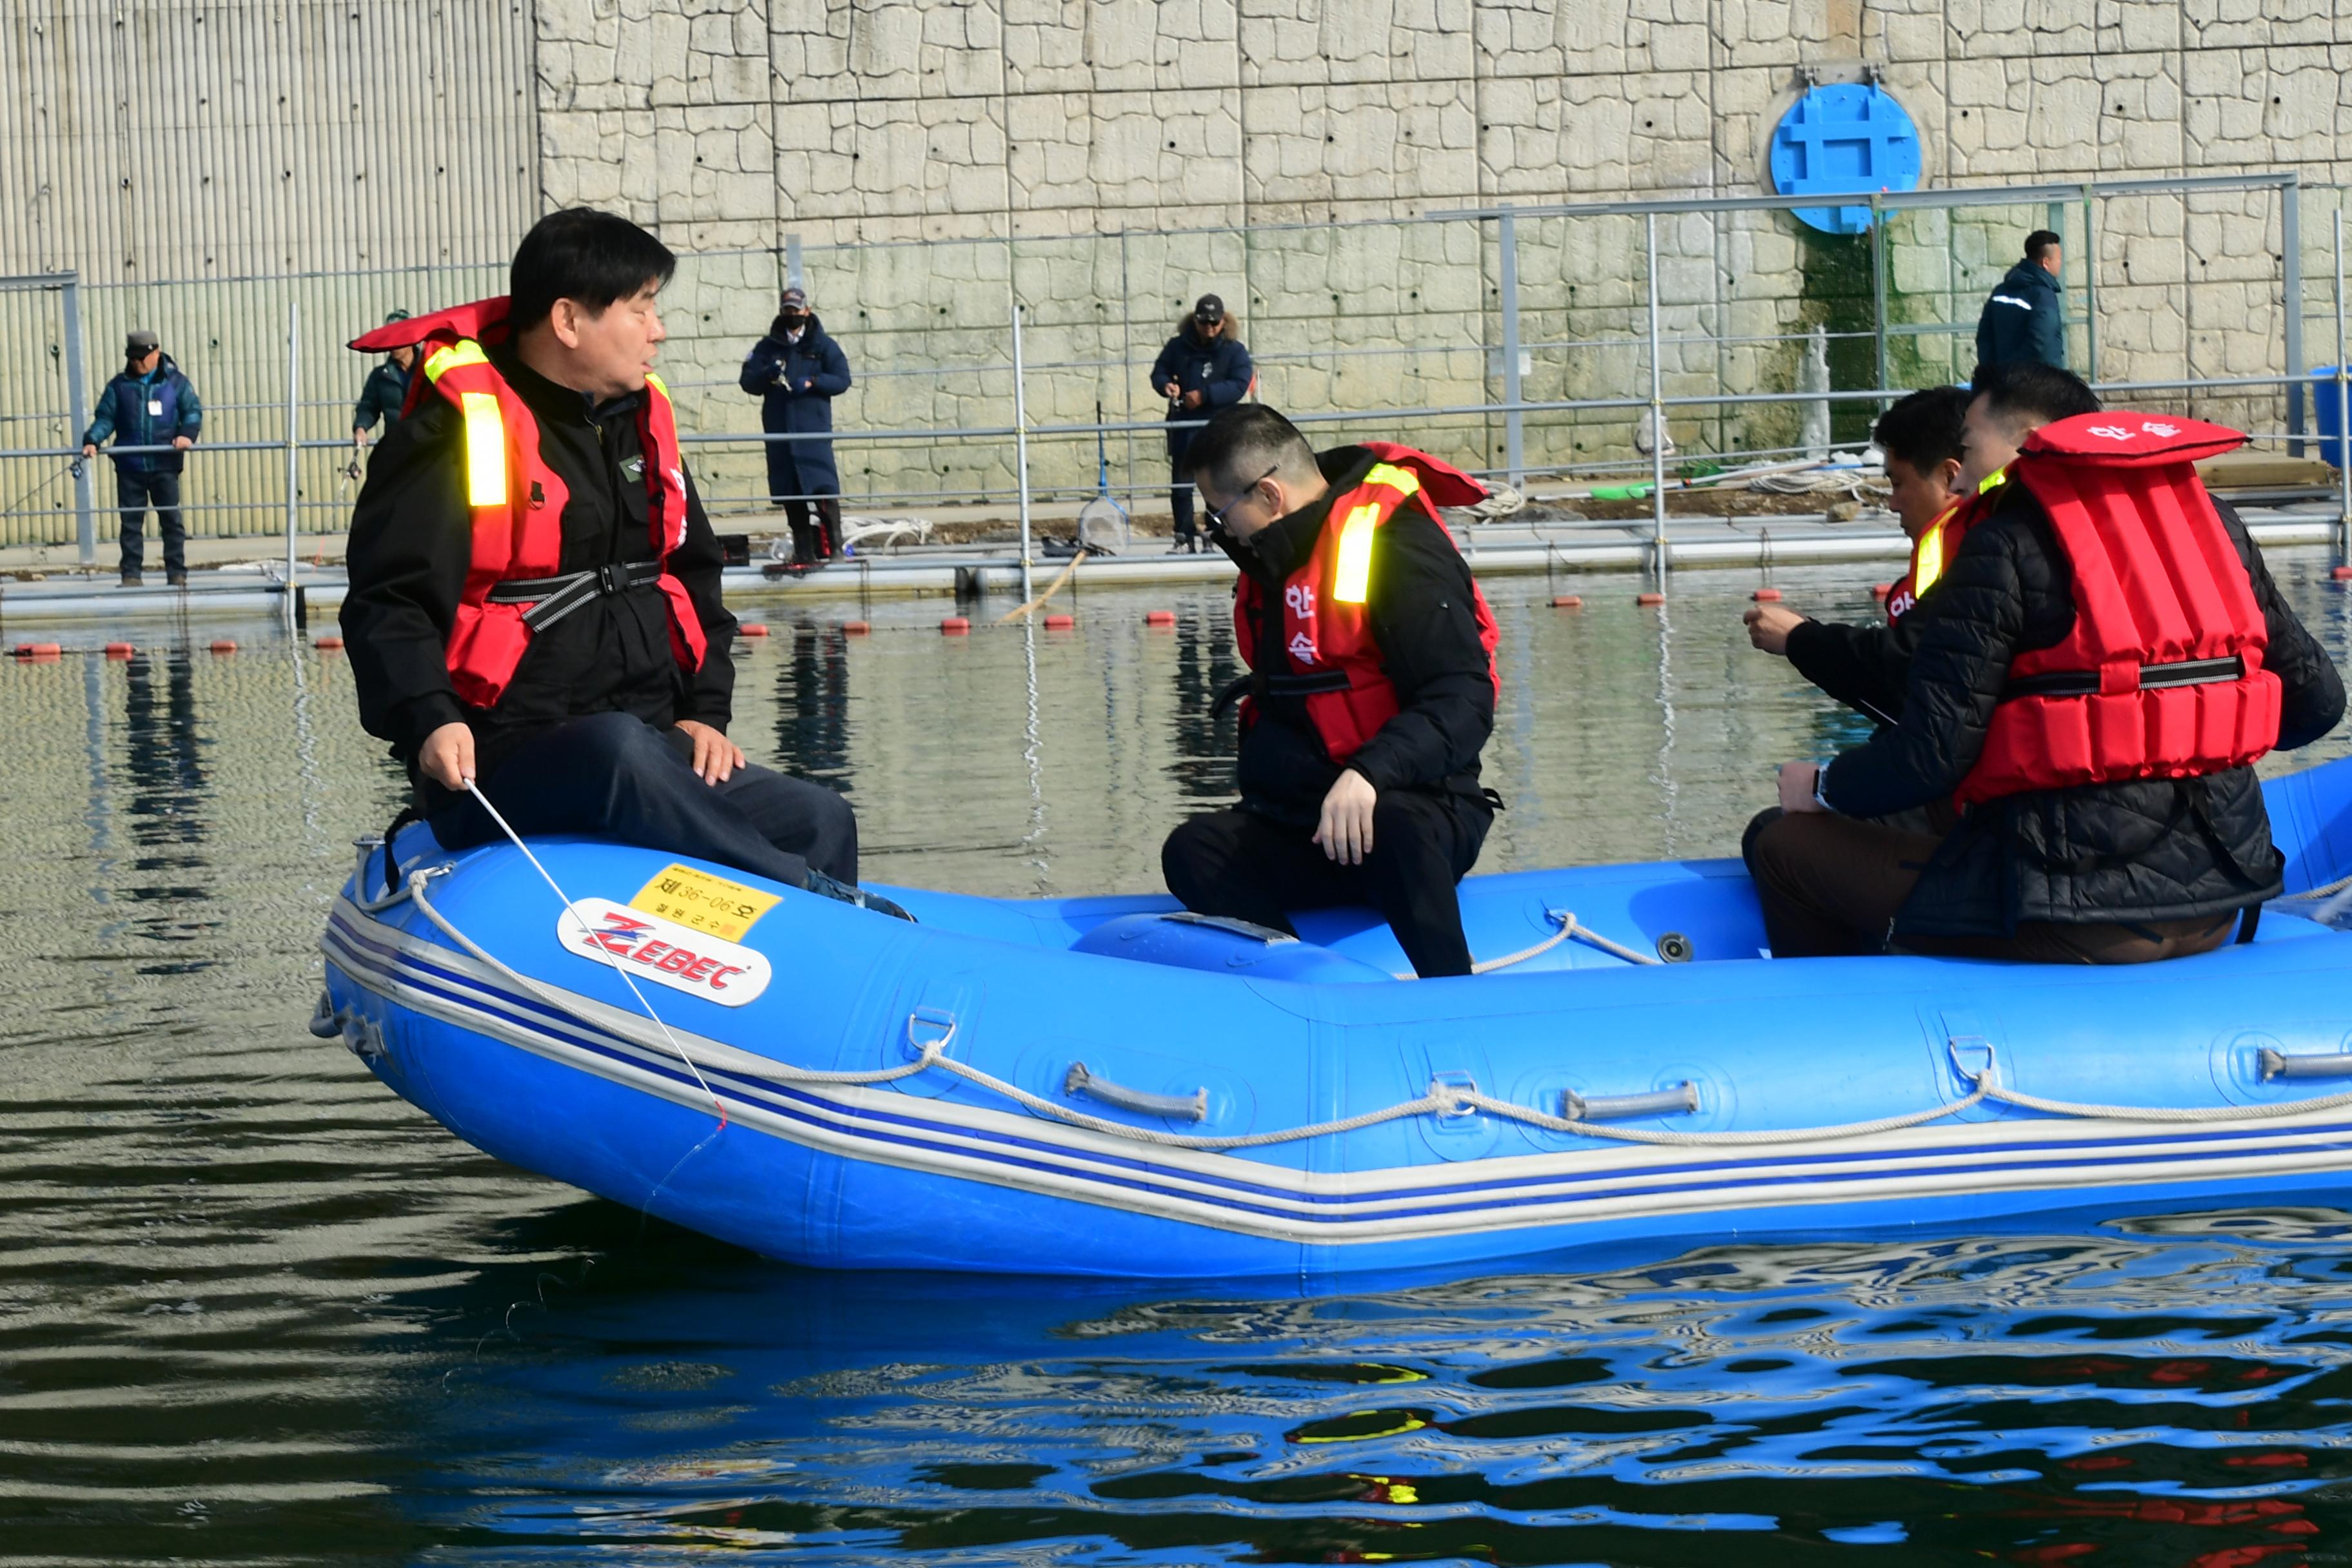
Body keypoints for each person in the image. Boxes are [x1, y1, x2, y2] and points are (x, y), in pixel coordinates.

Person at [340, 209, 899, 915]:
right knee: (616, 750)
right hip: (503, 756)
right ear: (570, 320)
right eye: (641, 309)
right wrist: (428, 718)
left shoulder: (644, 422)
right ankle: (803, 897)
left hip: (650, 744)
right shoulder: (452, 432)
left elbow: (692, 572)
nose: (658, 329)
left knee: (820, 816)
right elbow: (386, 599)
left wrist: (705, 712)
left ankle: (807, 972)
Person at [1744, 379, 2344, 965]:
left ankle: (1861, 1030)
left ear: (2029, 440)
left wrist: (1822, 786)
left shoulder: (2003, 544)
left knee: (1780, 843)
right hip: (2223, 903)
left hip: (2080, 919)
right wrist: (2201, 732)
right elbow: (2317, 703)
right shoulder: (2213, 525)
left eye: (1971, 449)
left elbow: (1930, 756)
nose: (1959, 476)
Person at [1160, 404, 1501, 979]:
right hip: (1309, 822)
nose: (1220, 532)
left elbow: (1464, 696)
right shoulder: (1276, 562)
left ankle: (1452, 997)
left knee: (1397, 824)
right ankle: (1300, 988)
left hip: (1413, 808)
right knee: (1194, 850)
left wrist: (1369, 773)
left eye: (1221, 514)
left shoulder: (1399, 547)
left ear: (1269, 495)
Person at [1745, 384, 1974, 727]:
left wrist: (1799, 639)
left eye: (1898, 484)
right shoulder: (1966, 544)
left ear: (1950, 476)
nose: (1892, 503)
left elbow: (1909, 677)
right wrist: (1804, 636)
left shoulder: (1978, 556)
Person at [740, 285, 851, 567]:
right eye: (788, 310)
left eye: (797, 310)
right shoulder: (767, 347)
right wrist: (768, 374)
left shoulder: (823, 345)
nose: (793, 314)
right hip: (780, 433)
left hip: (812, 432)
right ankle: (804, 552)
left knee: (823, 490)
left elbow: (842, 379)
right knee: (791, 493)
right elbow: (747, 382)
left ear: (807, 311)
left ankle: (836, 548)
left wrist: (814, 382)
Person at [82, 329, 202, 587]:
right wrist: (93, 439)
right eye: (133, 359)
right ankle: (131, 575)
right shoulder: (119, 385)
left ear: (156, 353)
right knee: (131, 524)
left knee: (171, 521)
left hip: (165, 465)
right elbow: (106, 418)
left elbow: (192, 411)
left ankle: (177, 573)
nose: (137, 363)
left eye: (142, 358)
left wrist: (187, 435)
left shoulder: (176, 383)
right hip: (130, 466)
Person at [1150, 294, 1254, 553]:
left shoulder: (1235, 351)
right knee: (1182, 486)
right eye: (1203, 322)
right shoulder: (1178, 346)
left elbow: (1240, 384)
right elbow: (1159, 371)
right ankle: (1184, 537)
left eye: (1214, 323)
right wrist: (1166, 385)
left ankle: (1214, 534)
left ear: (1223, 322)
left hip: (1219, 429)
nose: (1209, 328)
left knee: (1217, 485)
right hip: (1184, 427)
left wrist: (1205, 395)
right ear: (1194, 321)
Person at [1975, 229, 2066, 370]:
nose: (2061, 263)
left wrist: (1993, 374)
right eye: (2059, 258)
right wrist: (2013, 373)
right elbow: (2039, 342)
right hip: (2039, 383)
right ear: (2046, 263)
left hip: (2002, 381)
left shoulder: (1999, 292)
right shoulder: (2043, 296)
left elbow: (1984, 336)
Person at [351, 309, 416, 452]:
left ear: (411, 337)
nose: (392, 343)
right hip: (397, 446)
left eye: (398, 337)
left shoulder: (428, 369)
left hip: (426, 447)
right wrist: (361, 427)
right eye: (389, 337)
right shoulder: (380, 376)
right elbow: (369, 407)